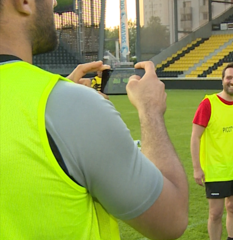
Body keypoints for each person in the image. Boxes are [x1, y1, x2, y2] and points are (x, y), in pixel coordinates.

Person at [0, 0, 189, 239]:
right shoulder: (70, 106)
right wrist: (150, 110)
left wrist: (58, 104)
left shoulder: (58, 105)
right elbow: (172, 219)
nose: (54, 2)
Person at [191, 63, 233, 240]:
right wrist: (196, 168)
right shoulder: (208, 103)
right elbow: (195, 137)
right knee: (215, 213)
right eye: (229, 77)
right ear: (223, 80)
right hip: (216, 170)